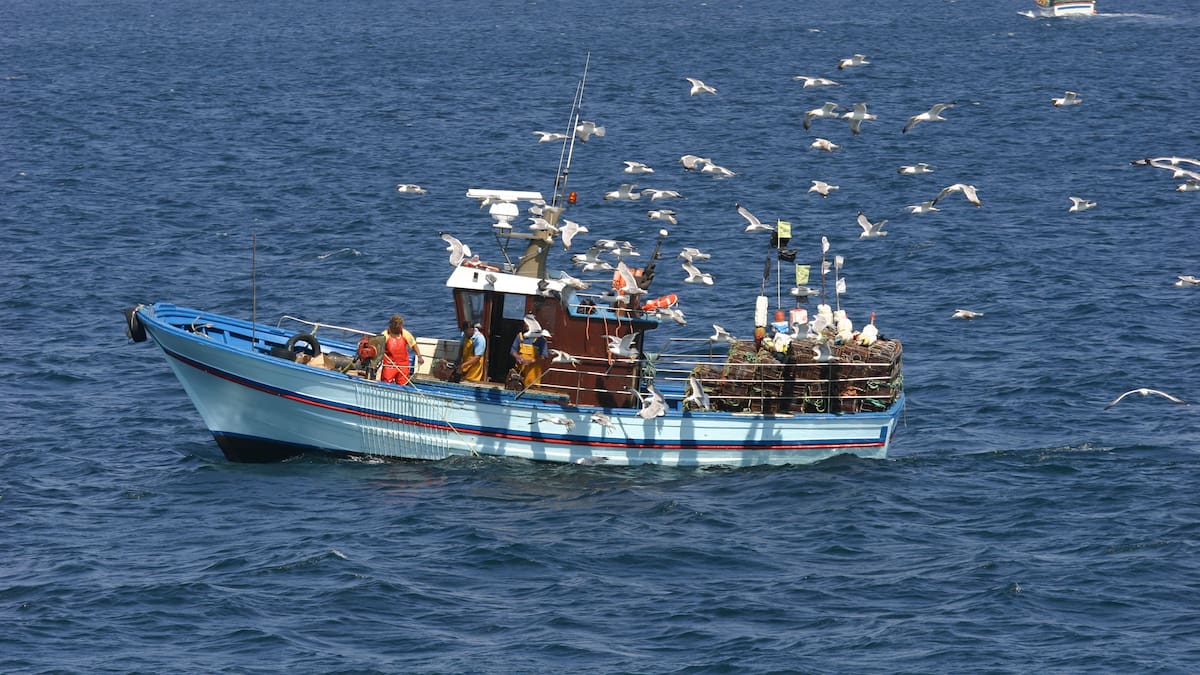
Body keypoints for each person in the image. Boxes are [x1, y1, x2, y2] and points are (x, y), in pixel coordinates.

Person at [380, 314, 424, 385]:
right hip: (389, 365)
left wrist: (419, 356)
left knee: (403, 384)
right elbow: (379, 349)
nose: (398, 328)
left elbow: (413, 344)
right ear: (391, 326)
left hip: (403, 365)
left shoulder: (405, 334)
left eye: (399, 327)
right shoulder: (385, 335)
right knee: (386, 383)